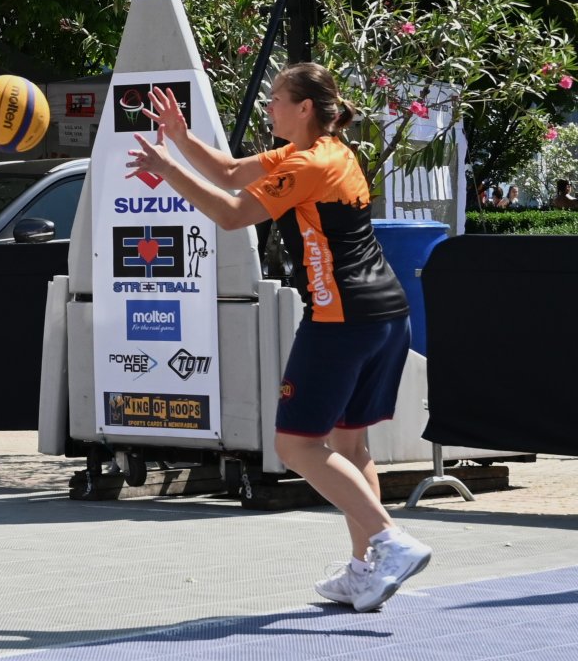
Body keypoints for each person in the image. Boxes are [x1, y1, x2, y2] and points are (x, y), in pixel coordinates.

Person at [125, 63, 431, 612]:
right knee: (348, 443)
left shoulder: (309, 163)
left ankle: (389, 539)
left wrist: (167, 167)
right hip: (387, 314)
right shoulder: (325, 153)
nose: (269, 107)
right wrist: (181, 136)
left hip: (342, 319)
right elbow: (230, 170)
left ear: (305, 108)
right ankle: (366, 572)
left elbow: (230, 212)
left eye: (276, 100)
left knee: (295, 445)